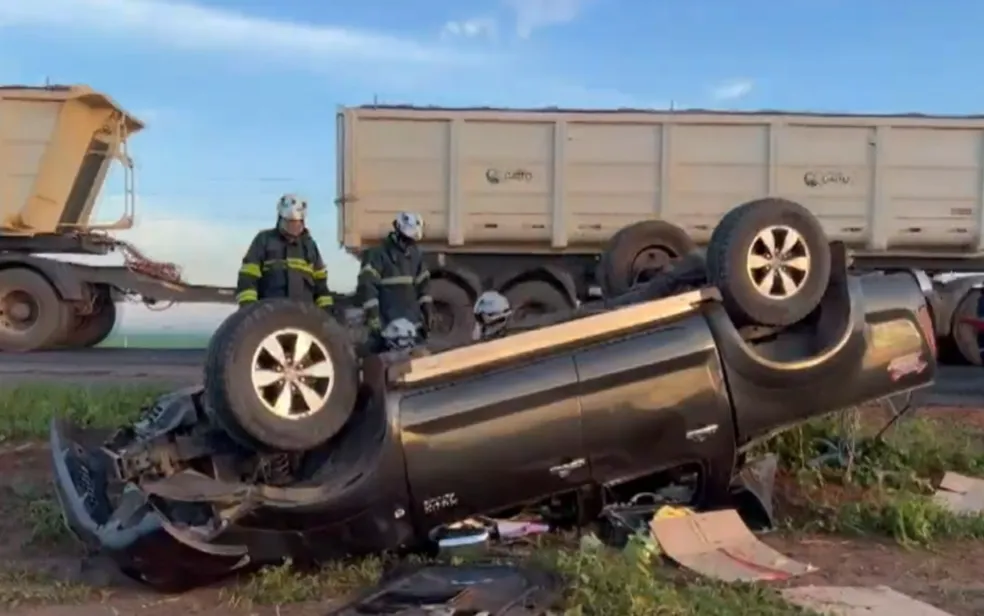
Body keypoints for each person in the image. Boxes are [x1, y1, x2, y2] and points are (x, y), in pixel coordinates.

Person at [235, 194, 335, 311]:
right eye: (289, 223)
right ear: (280, 219)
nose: (293, 227)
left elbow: (321, 286)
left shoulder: (310, 246)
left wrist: (326, 314)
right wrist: (249, 309)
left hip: (304, 316)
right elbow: (248, 278)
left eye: (297, 223)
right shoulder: (264, 240)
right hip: (269, 314)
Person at [358, 212, 433, 342]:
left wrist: (427, 311)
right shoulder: (377, 254)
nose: (409, 244)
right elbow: (368, 287)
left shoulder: (416, 256)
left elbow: (423, 287)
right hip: (387, 324)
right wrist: (373, 318)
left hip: (412, 323)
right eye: (406, 239)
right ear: (397, 231)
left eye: (412, 241)